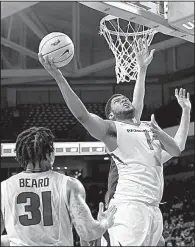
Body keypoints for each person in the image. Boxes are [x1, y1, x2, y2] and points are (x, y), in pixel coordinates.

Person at [38, 39, 181, 246]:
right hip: (130, 207)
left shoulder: (140, 126)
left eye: (124, 97)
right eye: (117, 100)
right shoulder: (112, 130)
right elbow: (83, 116)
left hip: (153, 206)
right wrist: (58, 76)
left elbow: (138, 100)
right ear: (112, 115)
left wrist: (142, 69)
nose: (123, 98)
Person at [1, 127, 116, 246]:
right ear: (50, 154)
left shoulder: (4, 187)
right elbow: (88, 233)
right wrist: (105, 222)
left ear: (22, 155)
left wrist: (13, 239)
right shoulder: (69, 185)